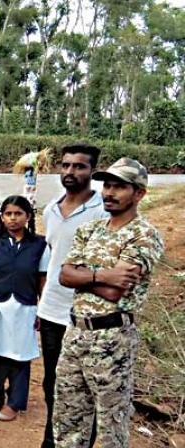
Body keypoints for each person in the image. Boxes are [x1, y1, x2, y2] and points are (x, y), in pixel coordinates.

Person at [54, 158, 164, 447]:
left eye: (120, 187)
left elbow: (117, 291)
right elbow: (64, 276)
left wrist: (84, 275)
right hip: (76, 333)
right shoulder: (89, 230)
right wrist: (104, 275)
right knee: (68, 420)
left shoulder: (144, 235)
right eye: (107, 185)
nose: (109, 193)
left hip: (112, 339)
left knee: (110, 428)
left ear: (139, 193)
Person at [37, 143, 108, 447]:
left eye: (79, 166)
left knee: (86, 386)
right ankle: (52, 441)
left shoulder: (103, 210)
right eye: (65, 165)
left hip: (87, 314)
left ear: (92, 171)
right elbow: (55, 256)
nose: (70, 172)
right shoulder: (52, 209)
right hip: (52, 310)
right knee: (53, 383)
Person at [0, 195, 50, 422]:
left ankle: (15, 403)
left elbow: (42, 279)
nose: (13, 218)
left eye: (18, 214)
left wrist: (41, 310)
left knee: (19, 355)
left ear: (28, 216)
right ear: (2, 216)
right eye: (8, 214)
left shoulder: (38, 244)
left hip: (23, 306)